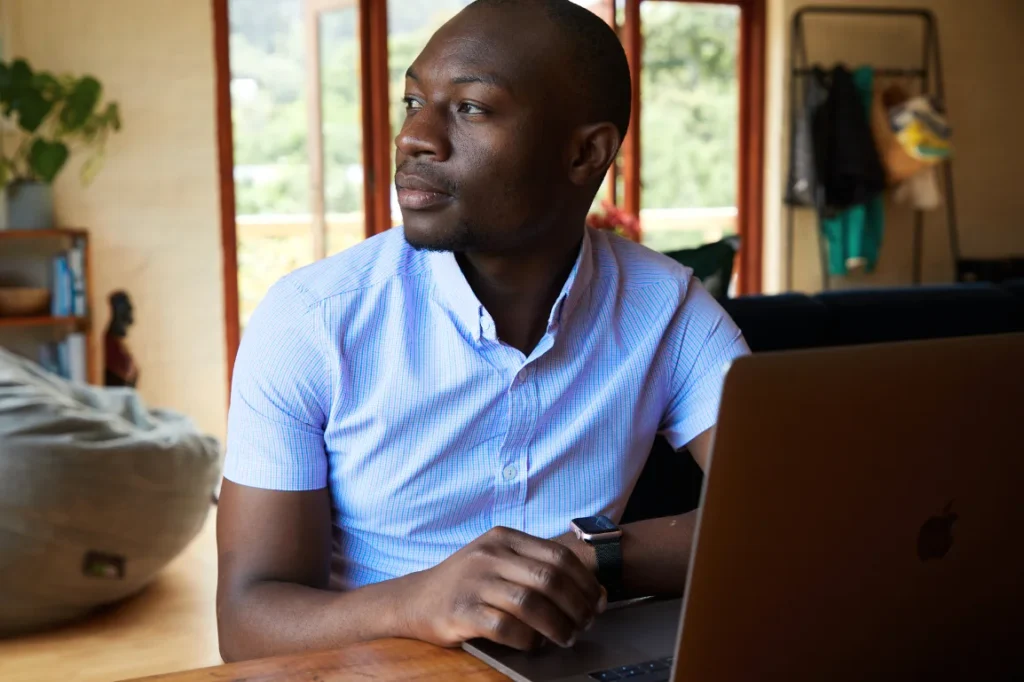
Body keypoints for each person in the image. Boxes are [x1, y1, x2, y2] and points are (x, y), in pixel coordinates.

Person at [216, 0, 748, 663]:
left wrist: (585, 562)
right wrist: (419, 602)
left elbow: (781, 516)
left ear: (586, 153)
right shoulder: (312, 320)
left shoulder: (666, 309)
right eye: (413, 102)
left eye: (470, 108)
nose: (415, 138)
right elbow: (246, 619)